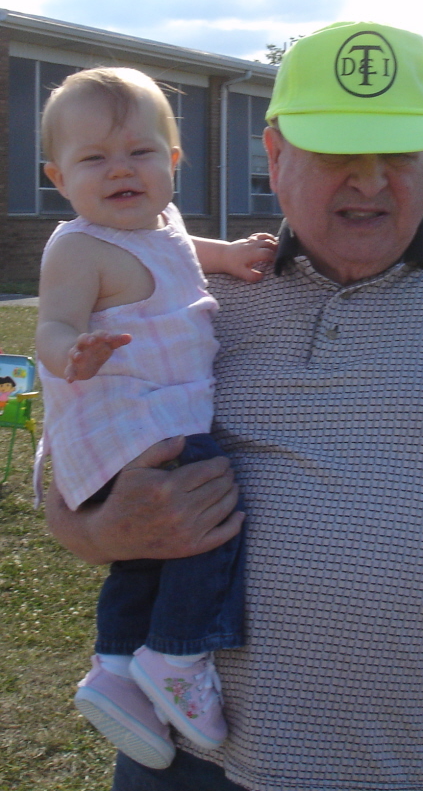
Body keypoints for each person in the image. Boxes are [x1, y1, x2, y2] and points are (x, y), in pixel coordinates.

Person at [45, 23, 423, 791]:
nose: (367, 181)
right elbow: (63, 481)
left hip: (420, 763)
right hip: (194, 764)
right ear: (276, 155)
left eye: (394, 153)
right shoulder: (185, 296)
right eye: (336, 153)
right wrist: (99, 529)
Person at [35, 67, 276, 770]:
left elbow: (178, 250)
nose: (120, 170)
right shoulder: (78, 247)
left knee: (145, 556)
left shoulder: (159, 225)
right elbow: (51, 324)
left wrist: (226, 257)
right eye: (93, 159)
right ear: (57, 177)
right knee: (207, 515)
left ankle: (115, 665)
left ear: (172, 164)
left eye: (139, 153)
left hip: (152, 421)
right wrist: (70, 352)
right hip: (131, 423)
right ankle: (178, 653)